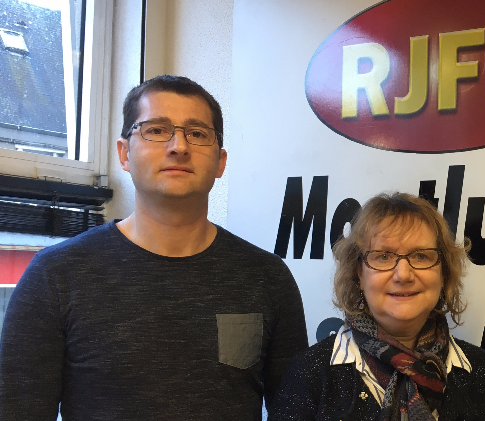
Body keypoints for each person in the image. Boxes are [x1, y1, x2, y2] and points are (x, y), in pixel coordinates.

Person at [0, 75, 308, 420]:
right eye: (156, 130)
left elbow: (296, 413)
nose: (179, 146)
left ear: (220, 161)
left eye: (197, 134)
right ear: (124, 153)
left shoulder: (267, 278)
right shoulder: (55, 275)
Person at [270, 192, 485, 420]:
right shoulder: (310, 373)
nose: (403, 275)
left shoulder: (481, 371)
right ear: (359, 273)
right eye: (383, 256)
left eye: (421, 256)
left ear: (443, 272)